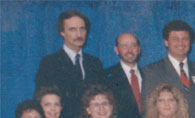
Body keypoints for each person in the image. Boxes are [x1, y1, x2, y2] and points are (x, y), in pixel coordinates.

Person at [35, 10, 105, 118]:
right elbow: (43, 101)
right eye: (72, 29)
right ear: (62, 32)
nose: (79, 34)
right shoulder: (49, 63)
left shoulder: (95, 63)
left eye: (82, 29)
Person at [141, 20, 195, 118]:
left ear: (190, 42)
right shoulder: (152, 71)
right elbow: (147, 109)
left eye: (185, 39)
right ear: (166, 42)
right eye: (175, 39)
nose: (180, 43)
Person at [105, 33, 142, 118]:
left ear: (139, 49)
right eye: (124, 46)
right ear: (116, 50)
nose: (129, 50)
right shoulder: (106, 77)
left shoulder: (148, 74)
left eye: (133, 45)